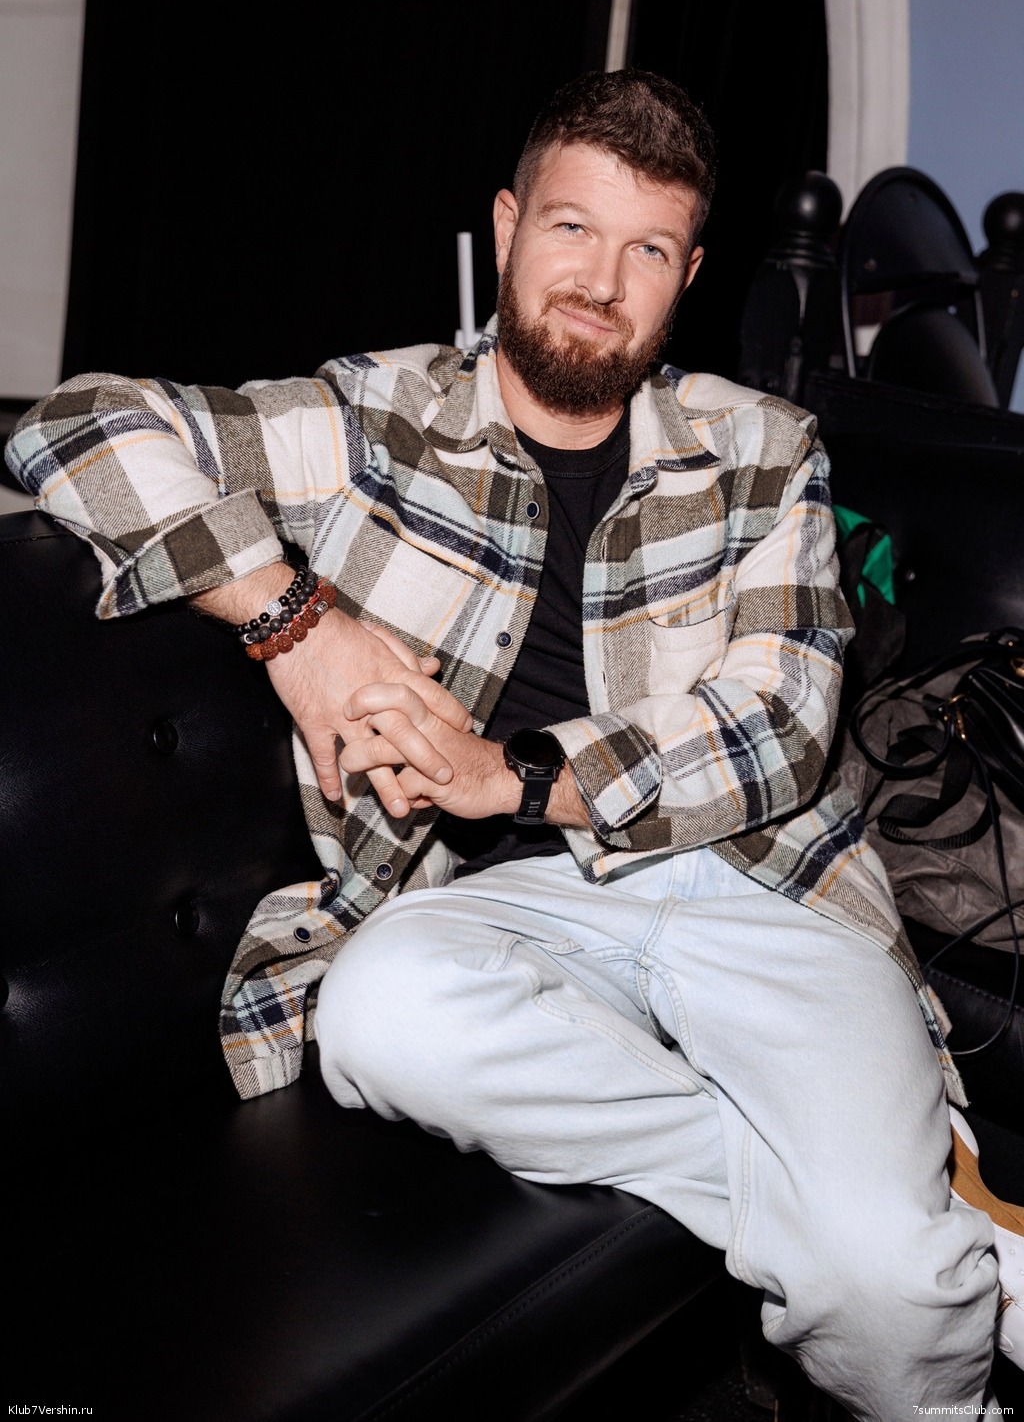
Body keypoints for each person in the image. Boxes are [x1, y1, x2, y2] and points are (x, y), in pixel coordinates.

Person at [7, 69, 1018, 1419]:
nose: (601, 281)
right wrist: (299, 627)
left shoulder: (763, 450)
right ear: (505, 226)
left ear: (688, 275)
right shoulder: (377, 421)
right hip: (494, 913)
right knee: (373, 1016)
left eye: (648, 249)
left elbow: (779, 731)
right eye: (572, 227)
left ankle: (904, 1261)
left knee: (887, 1306)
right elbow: (76, 423)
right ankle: (928, 1240)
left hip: (760, 883)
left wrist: (515, 775)